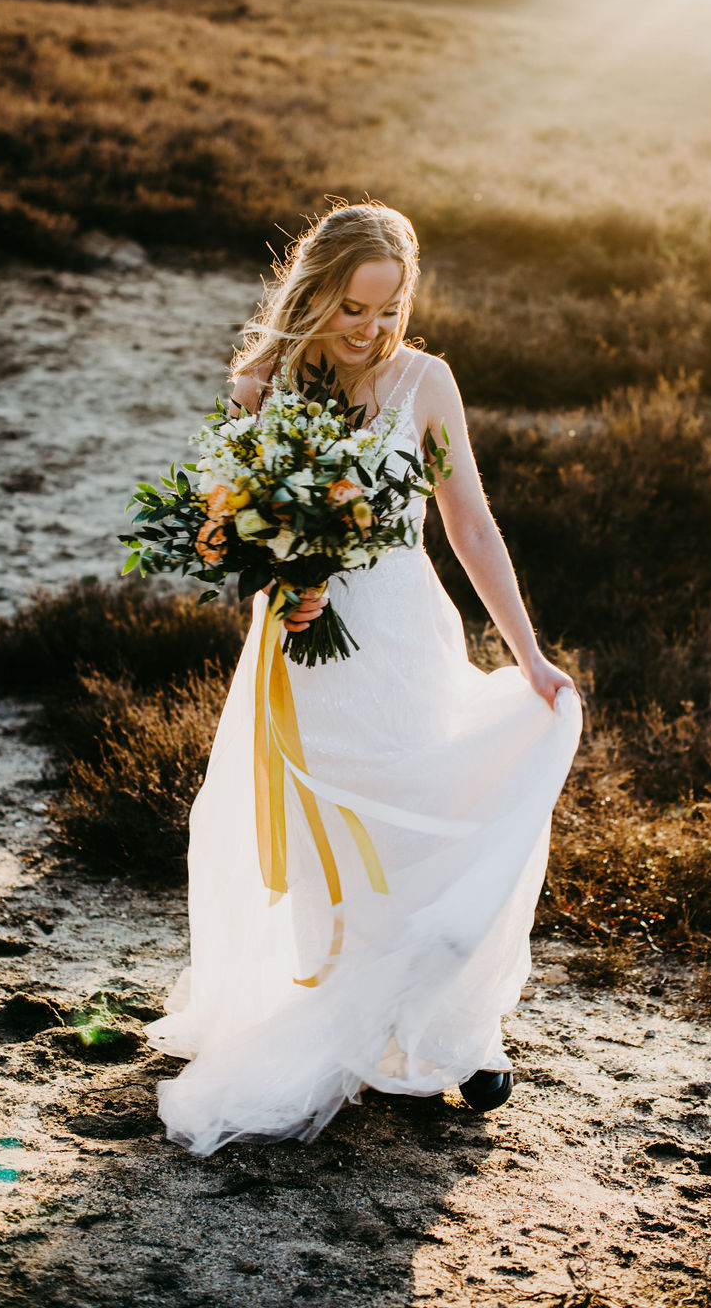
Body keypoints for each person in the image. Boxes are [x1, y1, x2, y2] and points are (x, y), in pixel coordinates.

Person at [145, 201, 583, 1154]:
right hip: (305, 657)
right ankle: (373, 1034)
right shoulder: (261, 388)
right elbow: (231, 529)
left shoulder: (426, 382)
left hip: (406, 640)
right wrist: (283, 584)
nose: (372, 330)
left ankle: (445, 1035)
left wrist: (528, 651)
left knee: (423, 826)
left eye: (389, 311)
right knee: (330, 843)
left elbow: (467, 522)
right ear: (314, 294)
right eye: (353, 309)